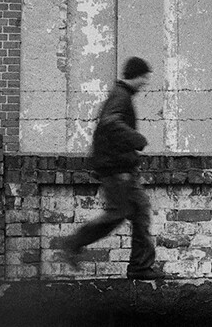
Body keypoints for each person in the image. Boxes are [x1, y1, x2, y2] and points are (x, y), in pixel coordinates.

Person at [54, 56, 163, 279]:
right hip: (117, 170)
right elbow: (110, 123)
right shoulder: (120, 97)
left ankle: (140, 268)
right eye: (144, 77)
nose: (146, 82)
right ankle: (72, 243)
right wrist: (136, 138)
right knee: (117, 214)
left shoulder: (122, 96)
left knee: (140, 214)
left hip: (123, 168)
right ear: (136, 75)